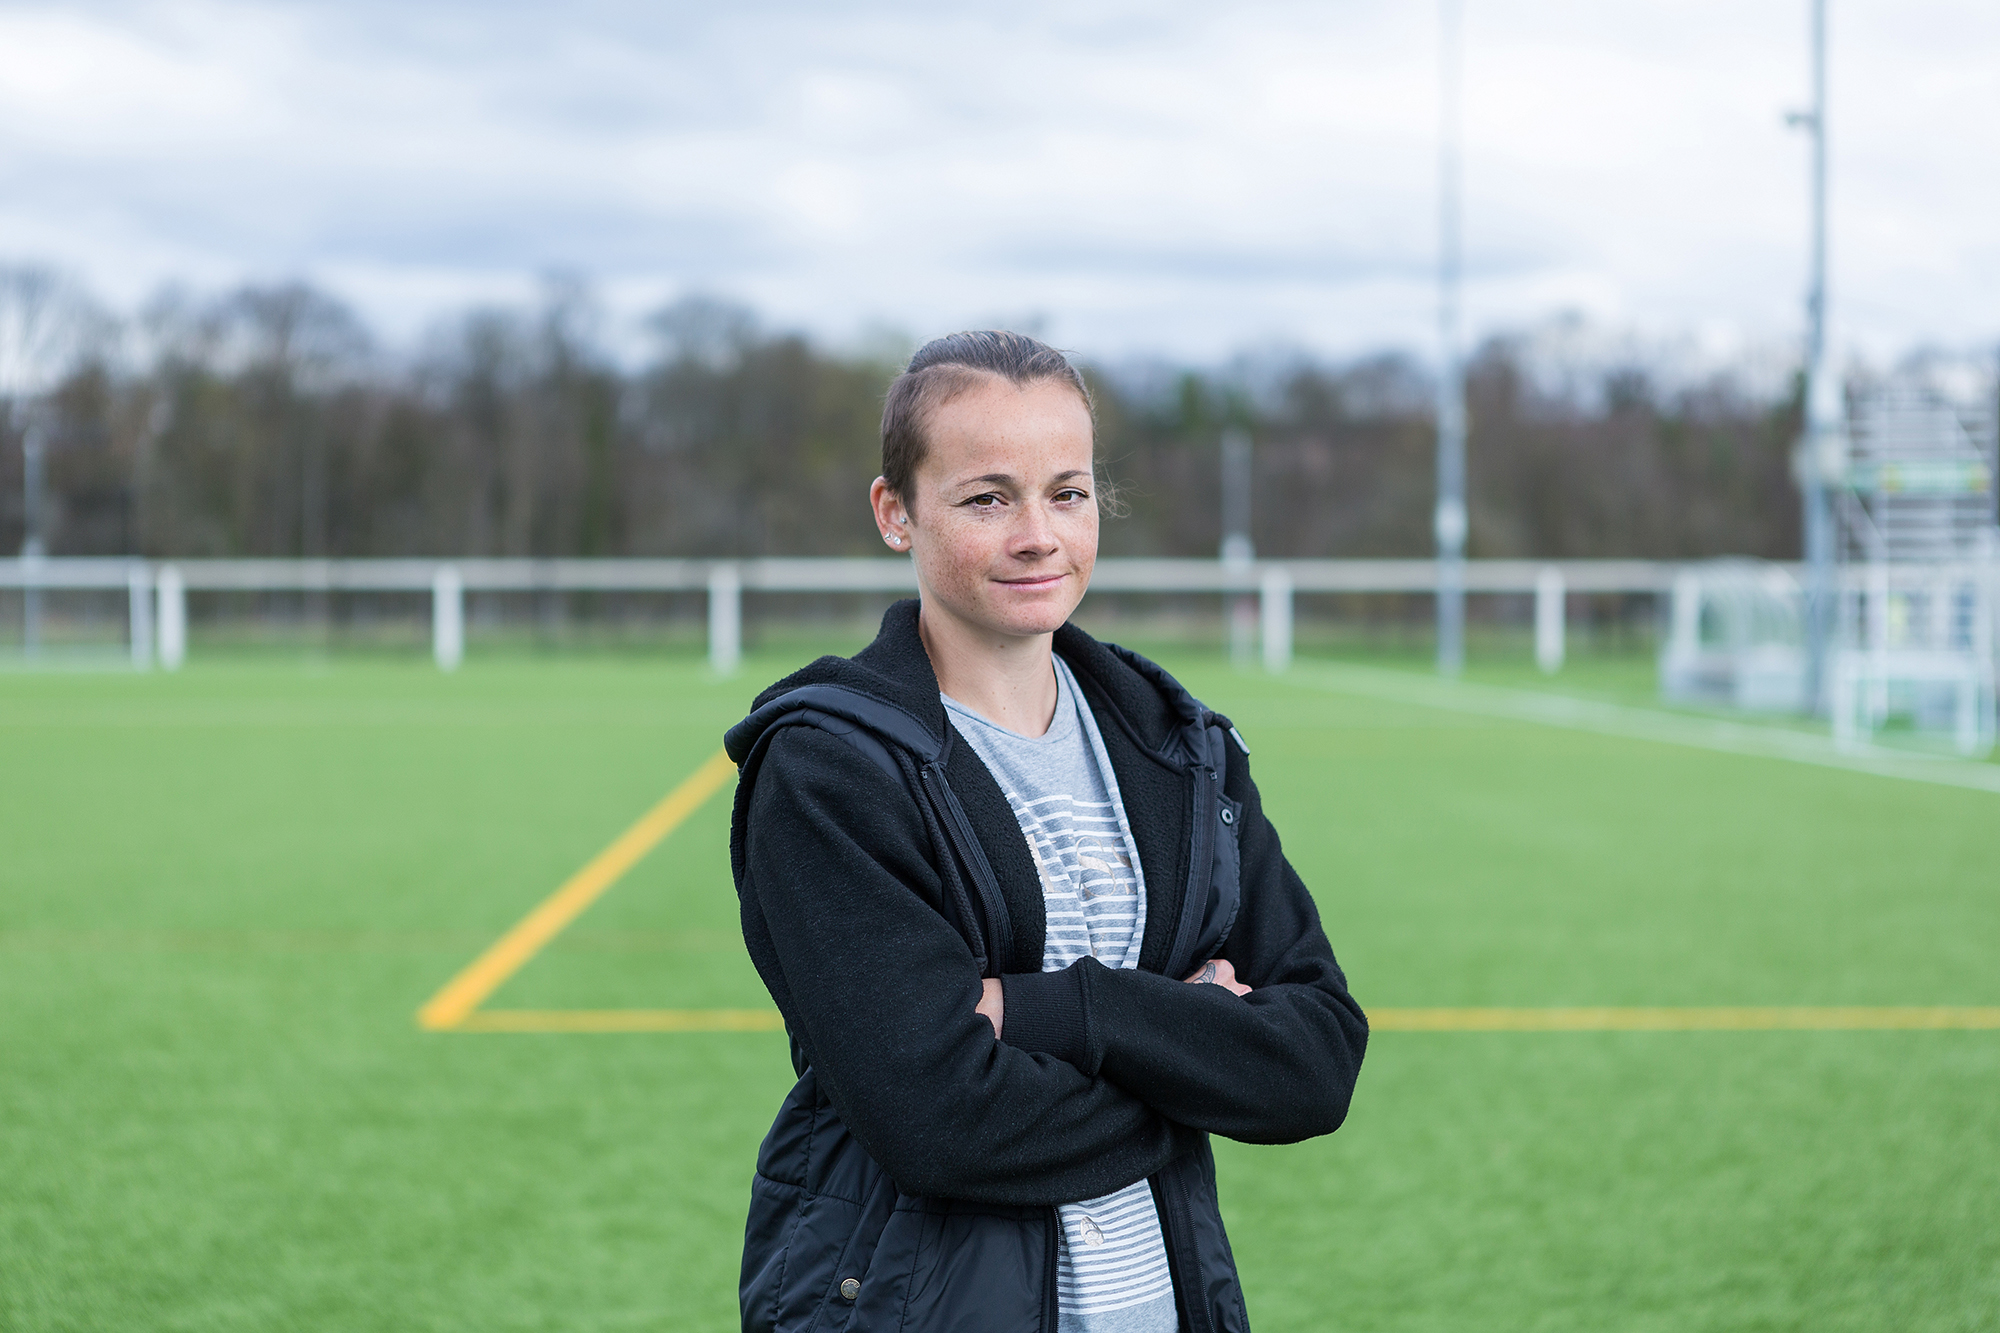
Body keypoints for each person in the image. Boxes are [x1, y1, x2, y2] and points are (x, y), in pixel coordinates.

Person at [724, 330, 1366, 1333]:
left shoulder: (1179, 747)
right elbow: (936, 1120)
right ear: (896, 513)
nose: (1038, 534)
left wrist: (1059, 1013)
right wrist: (1193, 1054)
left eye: (1065, 492)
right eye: (987, 497)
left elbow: (1316, 1060)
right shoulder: (829, 767)